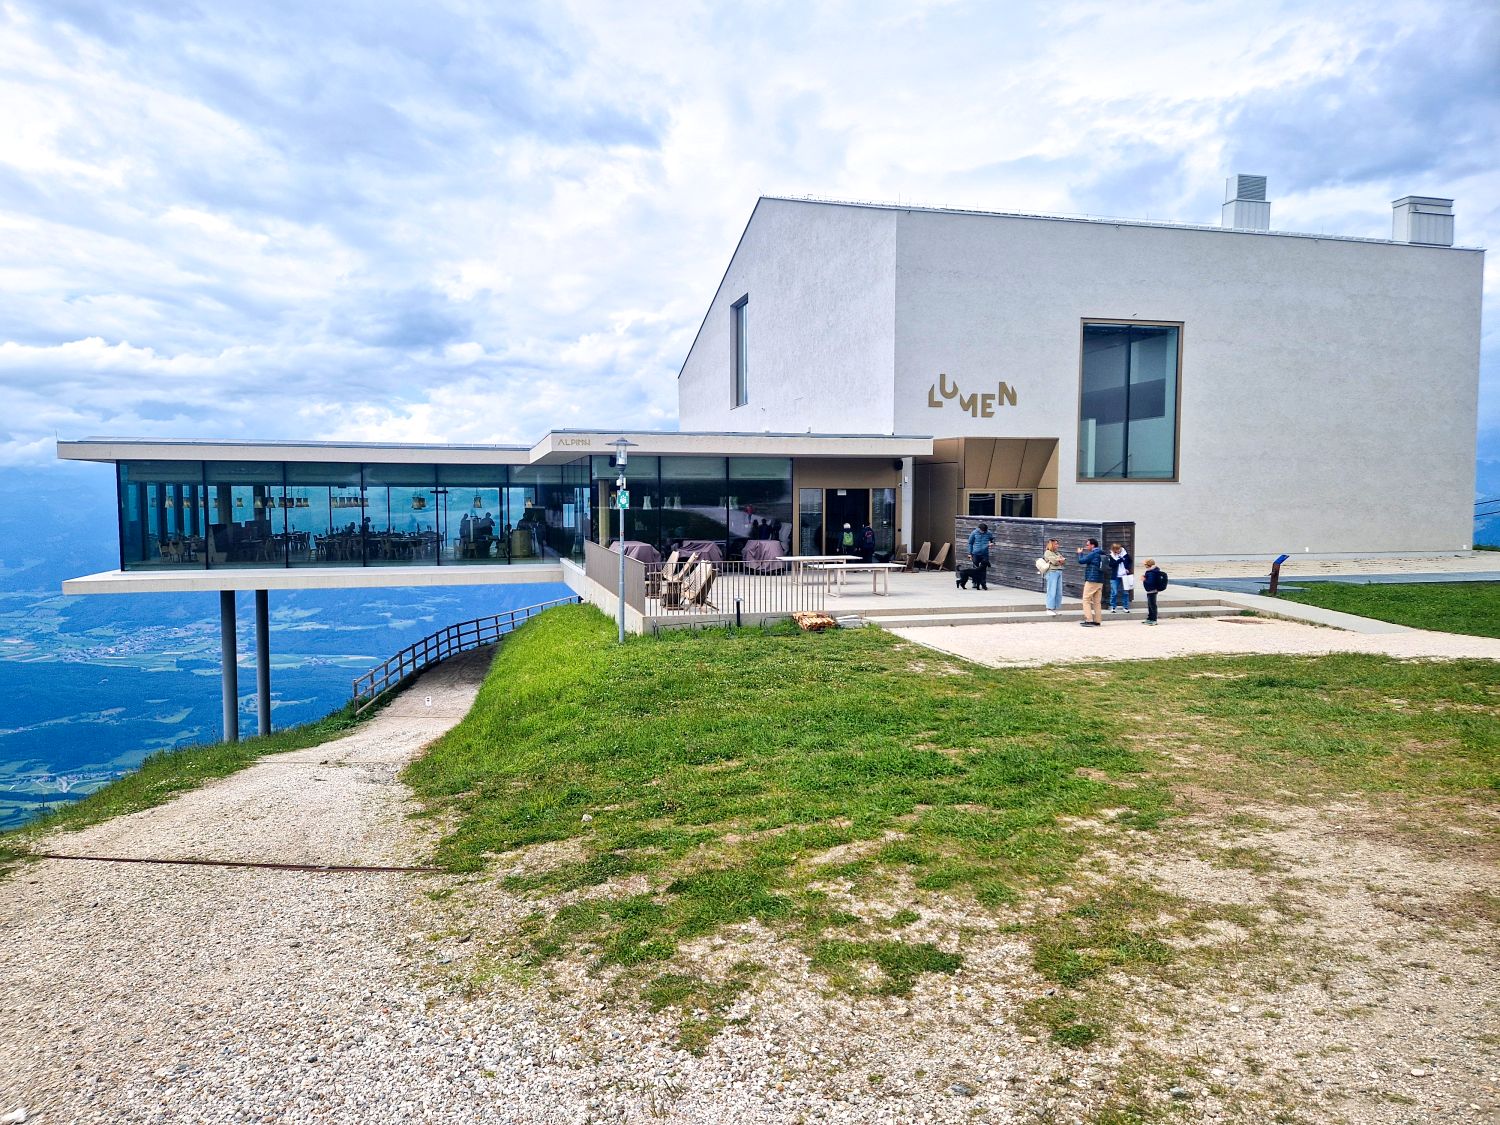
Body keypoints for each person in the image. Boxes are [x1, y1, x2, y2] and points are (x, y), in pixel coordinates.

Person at [1076, 537, 1105, 626]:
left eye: (1087, 545)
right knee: (1097, 602)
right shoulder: (1102, 553)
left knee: (1086, 599)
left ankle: (1088, 620)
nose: (1086, 546)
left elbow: (1081, 561)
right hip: (1100, 580)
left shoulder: (1093, 553)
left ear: (1092, 545)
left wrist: (1080, 553)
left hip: (1092, 579)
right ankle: (1097, 620)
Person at [1041, 537, 1065, 615]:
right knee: (1052, 590)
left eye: (1057, 544)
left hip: (1059, 572)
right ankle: (1049, 608)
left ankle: (1055, 608)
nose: (1057, 545)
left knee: (1059, 591)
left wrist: (1059, 560)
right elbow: (1054, 561)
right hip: (1052, 572)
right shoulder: (1047, 552)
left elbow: (1063, 561)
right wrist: (1059, 560)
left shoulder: (1057, 553)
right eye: (1056, 544)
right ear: (1051, 545)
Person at [1107, 542, 1134, 613]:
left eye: (1119, 549)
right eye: (1117, 550)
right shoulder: (1111, 556)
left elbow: (1130, 561)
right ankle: (1113, 606)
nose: (1119, 551)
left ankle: (1125, 607)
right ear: (1114, 550)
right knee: (1114, 592)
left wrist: (1128, 568)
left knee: (1125, 592)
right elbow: (1111, 565)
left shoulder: (1125, 554)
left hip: (1125, 576)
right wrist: (1120, 560)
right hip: (1115, 576)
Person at [966, 522, 994, 587]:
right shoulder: (974, 533)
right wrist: (969, 553)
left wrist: (992, 543)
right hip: (975, 553)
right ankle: (974, 582)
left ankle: (983, 583)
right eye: (982, 531)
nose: (983, 532)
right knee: (975, 568)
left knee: (984, 569)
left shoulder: (989, 533)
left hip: (985, 554)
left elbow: (992, 540)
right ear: (979, 529)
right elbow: (970, 543)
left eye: (984, 531)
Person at [1140, 558, 1167, 625]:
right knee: (1150, 605)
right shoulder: (1151, 571)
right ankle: (1150, 618)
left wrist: (1144, 579)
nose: (1144, 565)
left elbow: (1150, 582)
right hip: (1150, 591)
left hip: (1152, 591)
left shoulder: (1151, 572)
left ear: (1148, 564)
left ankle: (1154, 619)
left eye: (1145, 564)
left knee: (1152, 605)